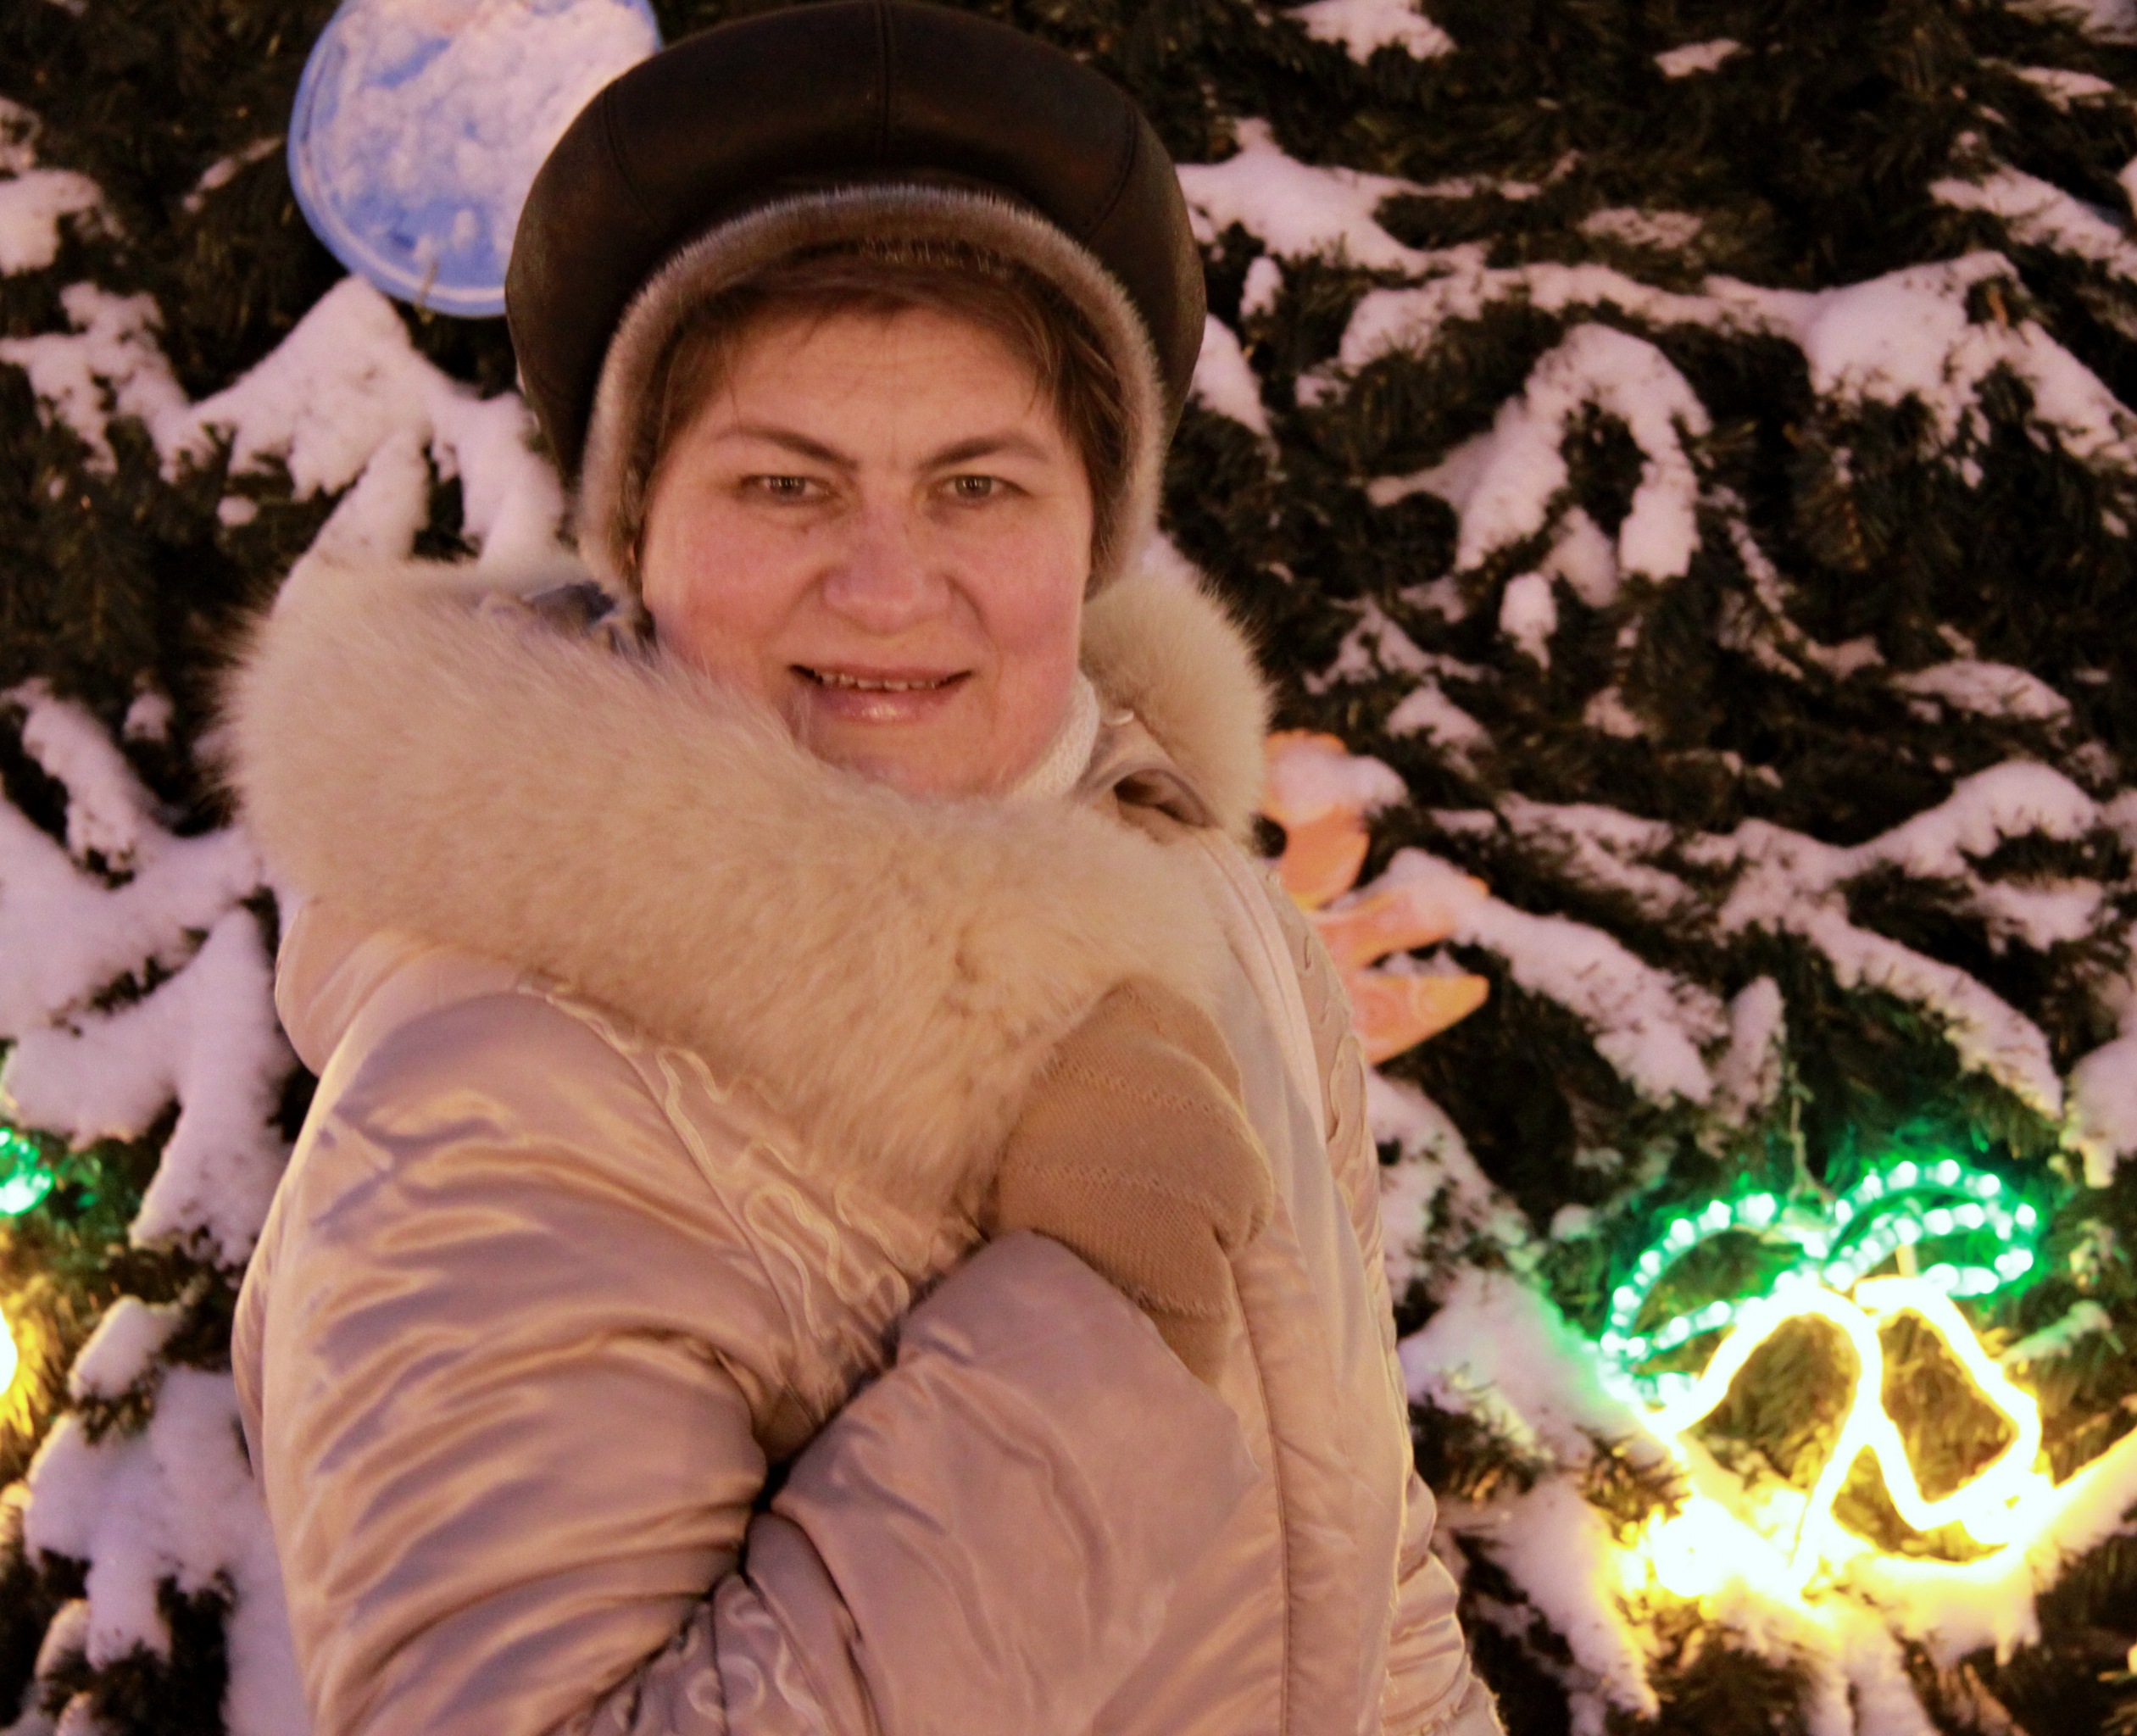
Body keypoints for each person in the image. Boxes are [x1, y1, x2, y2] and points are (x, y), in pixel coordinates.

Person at [223, 4, 1504, 1733]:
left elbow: (1363, 1574)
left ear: (1092, 535)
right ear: (637, 534)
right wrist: (1094, 1325)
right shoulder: (487, 1100)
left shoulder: (1192, 888)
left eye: (978, 485)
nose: (887, 587)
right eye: (783, 483)